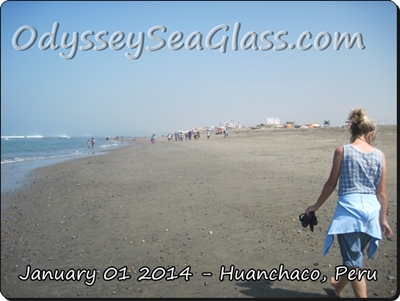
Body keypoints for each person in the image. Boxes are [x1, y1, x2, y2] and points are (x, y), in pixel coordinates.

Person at [305, 108, 392, 298]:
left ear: (351, 131)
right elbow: (382, 192)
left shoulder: (342, 151)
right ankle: (338, 286)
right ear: (370, 133)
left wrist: (316, 206)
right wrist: (383, 219)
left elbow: (330, 184)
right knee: (354, 258)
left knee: (354, 262)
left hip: (349, 213)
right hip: (370, 213)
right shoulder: (380, 155)